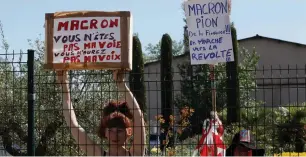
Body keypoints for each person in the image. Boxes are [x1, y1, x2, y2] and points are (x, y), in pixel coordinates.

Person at [56, 70, 146, 156]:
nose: (115, 135)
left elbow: (138, 117)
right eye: (111, 130)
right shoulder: (97, 154)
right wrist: (64, 85)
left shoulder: (136, 154)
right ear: (106, 132)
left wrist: (121, 85)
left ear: (129, 132)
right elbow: (73, 125)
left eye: (119, 131)